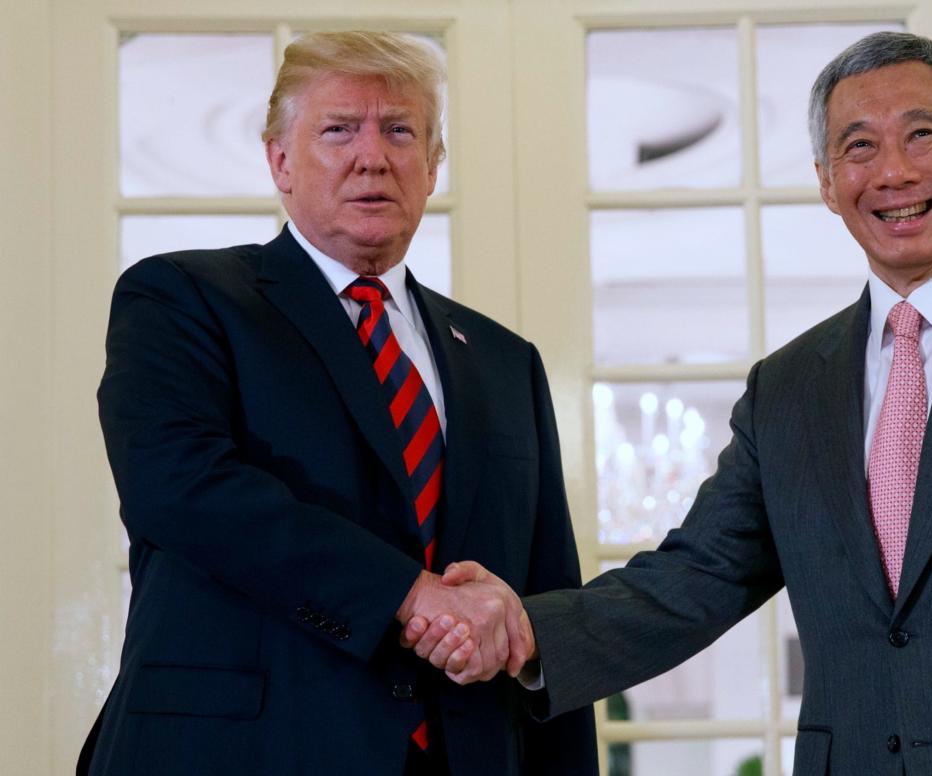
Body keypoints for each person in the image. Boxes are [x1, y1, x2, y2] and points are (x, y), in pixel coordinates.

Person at [411, 31, 932, 775]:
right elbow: (695, 579)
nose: (892, 171)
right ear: (828, 184)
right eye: (858, 147)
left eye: (922, 135)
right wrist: (523, 627)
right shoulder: (788, 388)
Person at [79, 31, 596, 776]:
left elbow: (545, 591)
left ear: (432, 165)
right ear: (280, 160)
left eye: (399, 131)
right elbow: (180, 487)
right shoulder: (181, 300)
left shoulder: (506, 361)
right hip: (242, 752)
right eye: (338, 129)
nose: (372, 156)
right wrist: (409, 596)